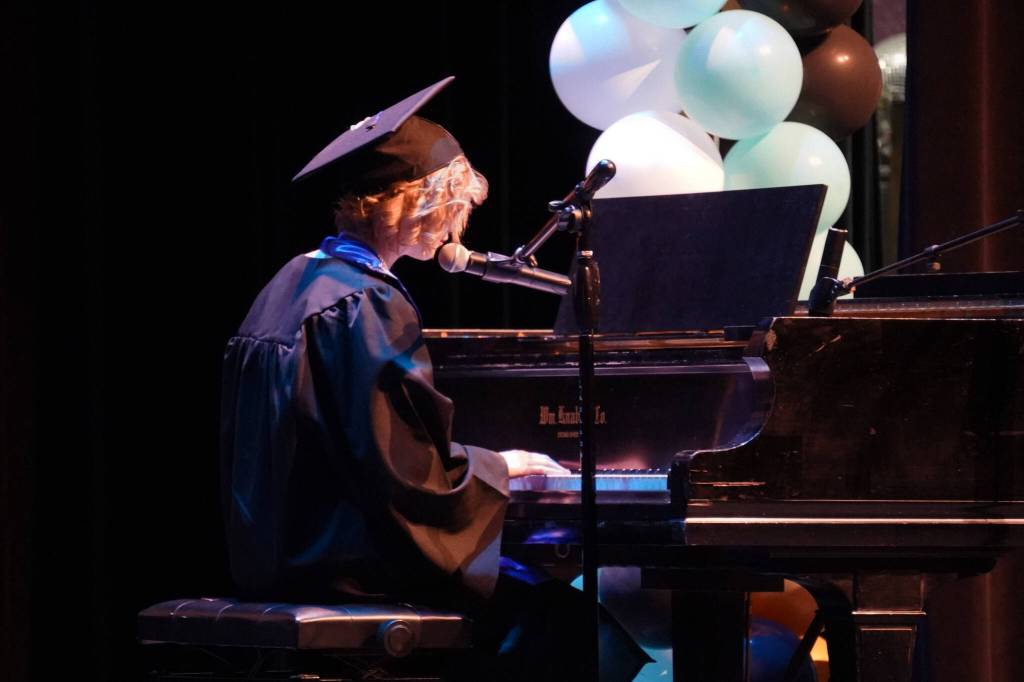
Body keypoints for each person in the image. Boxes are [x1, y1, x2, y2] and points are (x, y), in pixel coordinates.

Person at [220, 77, 649, 680]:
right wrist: (502, 466)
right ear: (415, 201)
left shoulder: (296, 283)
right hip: (349, 569)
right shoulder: (365, 304)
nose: (457, 227)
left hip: (285, 555)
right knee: (564, 622)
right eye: (454, 206)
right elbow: (406, 472)